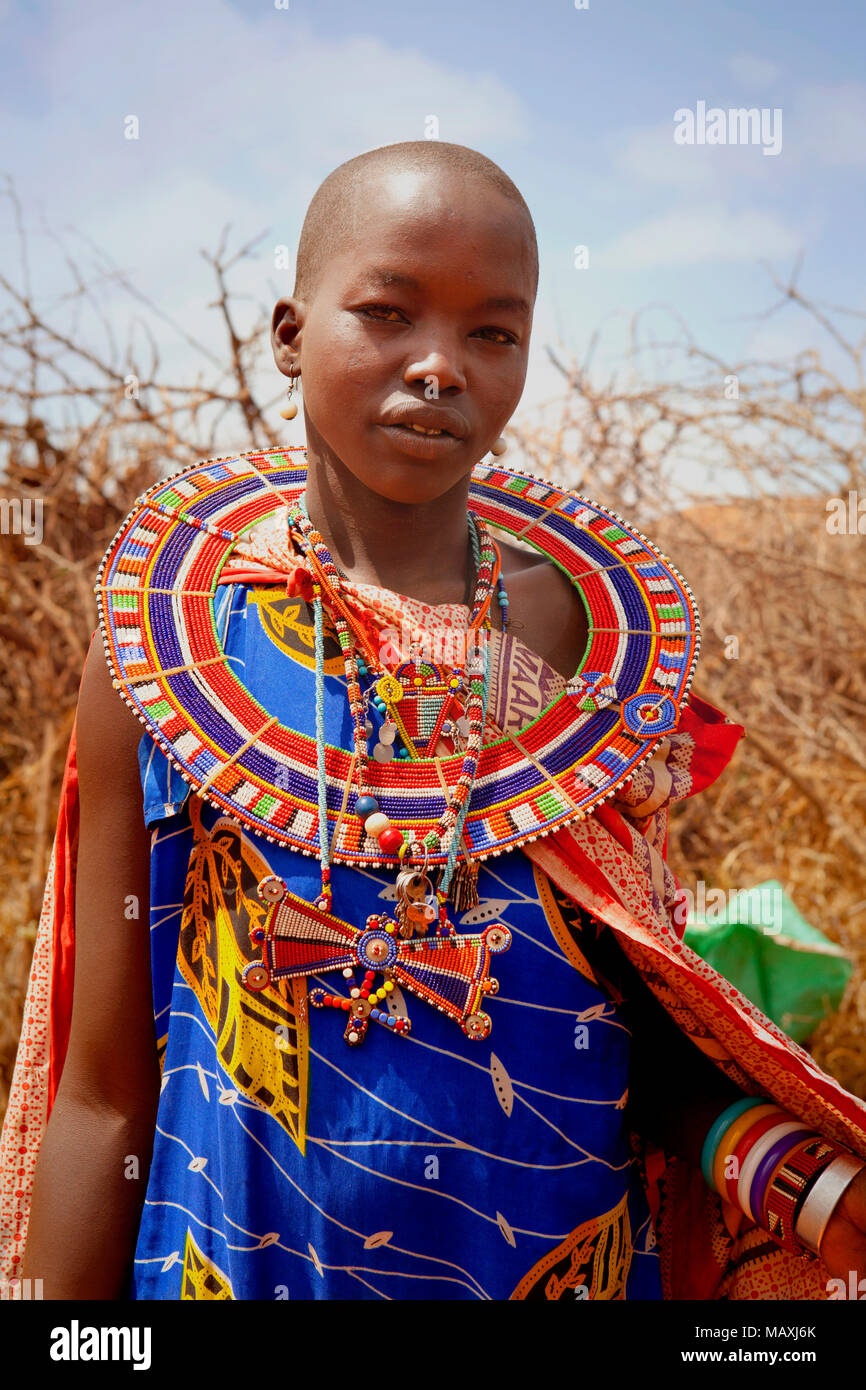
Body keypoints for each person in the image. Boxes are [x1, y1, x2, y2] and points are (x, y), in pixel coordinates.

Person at [4, 141, 866, 1301]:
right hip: (245, 1256)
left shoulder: (574, 643)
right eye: (387, 312)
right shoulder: (177, 643)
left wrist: (798, 1178)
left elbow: (632, 1010)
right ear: (289, 332)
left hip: (550, 1250)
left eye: (490, 332)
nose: (438, 368)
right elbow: (104, 1087)